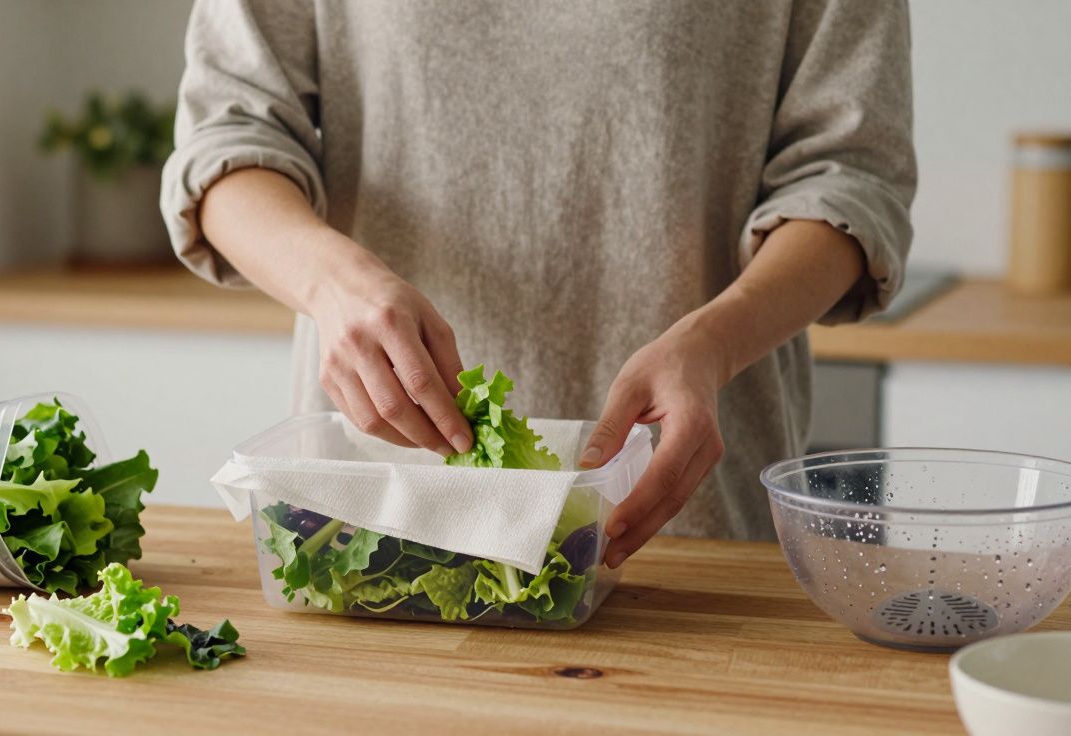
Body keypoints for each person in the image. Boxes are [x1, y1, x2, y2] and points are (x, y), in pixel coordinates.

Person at [161, 1, 915, 568]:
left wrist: (714, 343)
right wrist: (334, 284)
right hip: (374, 512)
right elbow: (227, 141)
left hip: (675, 520)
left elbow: (849, 177)